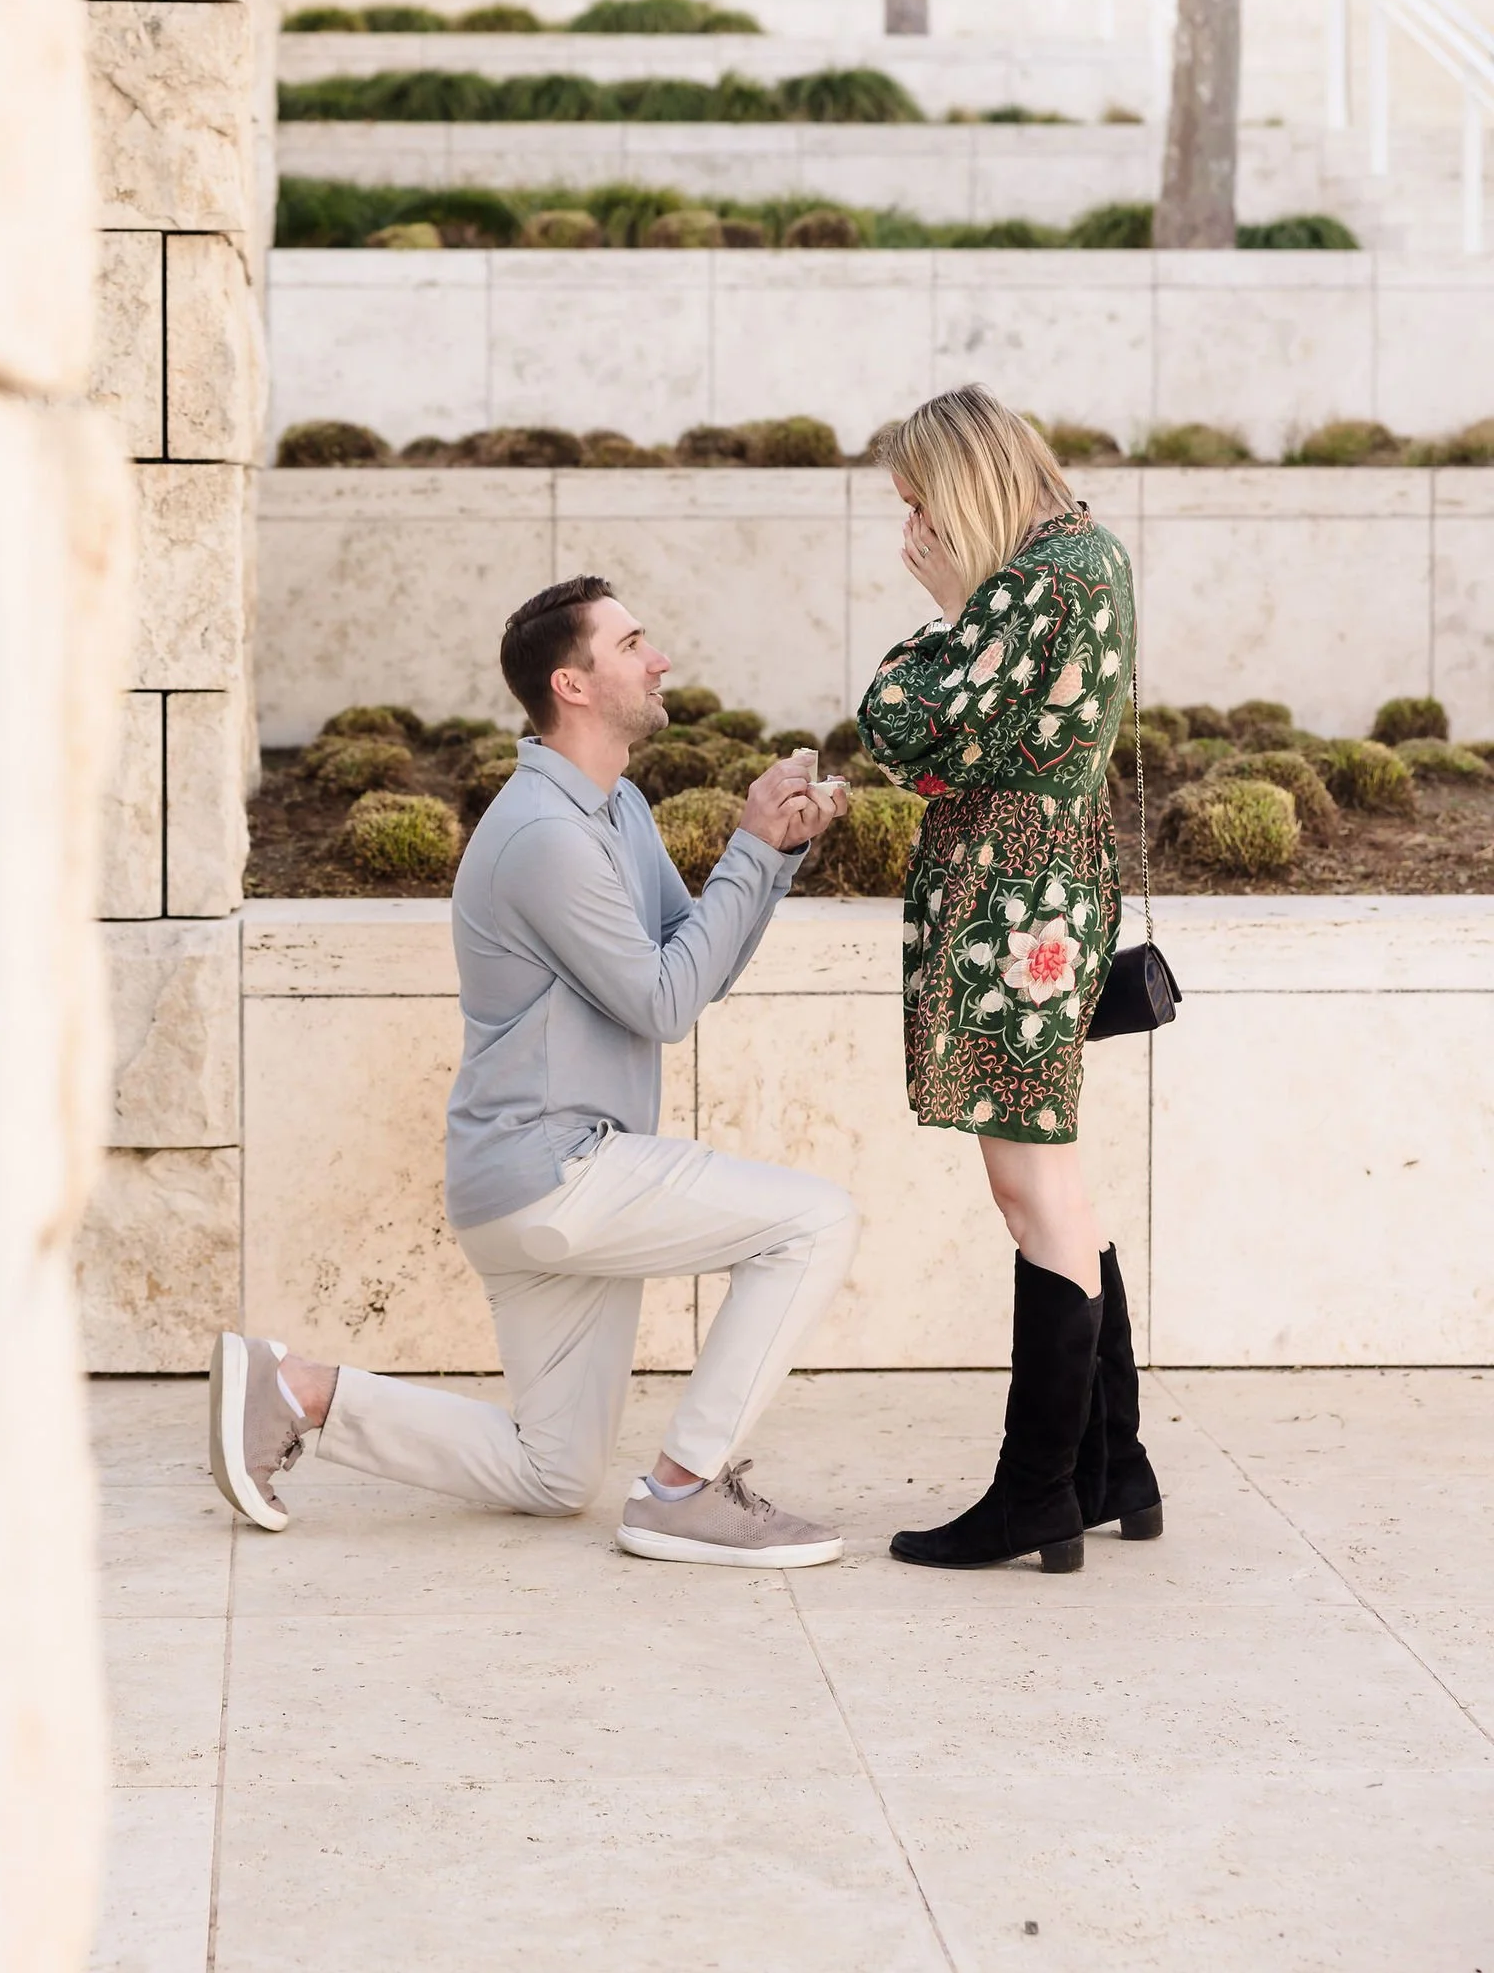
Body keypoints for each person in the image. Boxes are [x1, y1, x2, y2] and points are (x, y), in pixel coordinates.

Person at [210, 577, 862, 1565]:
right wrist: (743, 845)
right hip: (558, 1168)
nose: (659, 658)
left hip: (534, 1180)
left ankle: (297, 1390)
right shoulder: (541, 834)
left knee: (551, 1473)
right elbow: (661, 1002)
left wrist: (769, 857)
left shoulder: (614, 806)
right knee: (815, 1219)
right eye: (632, 642)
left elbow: (690, 959)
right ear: (574, 682)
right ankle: (685, 1486)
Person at [855, 386, 1162, 1573]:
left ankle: (1036, 1493)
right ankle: (1110, 1465)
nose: (914, 527)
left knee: (1030, 1188)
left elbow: (902, 721)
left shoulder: (1034, 578)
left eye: (918, 499)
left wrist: (948, 606)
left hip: (1010, 908)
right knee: (1050, 1181)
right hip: (1041, 894)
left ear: (964, 479)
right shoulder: (1082, 556)